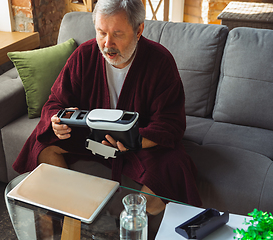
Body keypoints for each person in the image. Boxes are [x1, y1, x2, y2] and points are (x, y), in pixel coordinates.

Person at [13, 0, 202, 215]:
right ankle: (76, 208)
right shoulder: (84, 55)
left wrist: (133, 140)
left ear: (139, 29)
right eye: (101, 32)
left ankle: (128, 219)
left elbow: (171, 124)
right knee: (42, 141)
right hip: (90, 137)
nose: (107, 44)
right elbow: (55, 102)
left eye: (117, 34)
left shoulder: (160, 62)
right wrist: (57, 120)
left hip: (137, 143)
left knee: (174, 165)